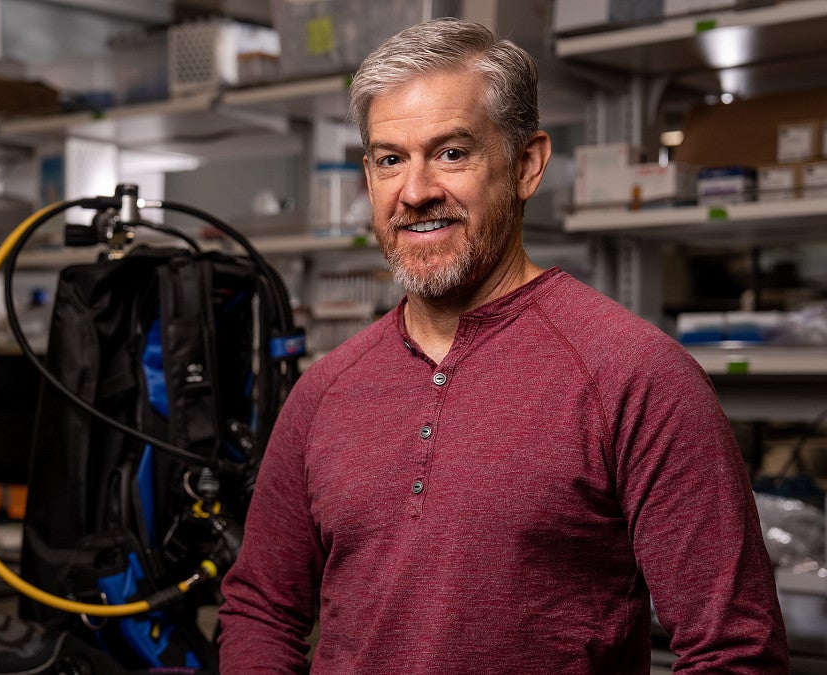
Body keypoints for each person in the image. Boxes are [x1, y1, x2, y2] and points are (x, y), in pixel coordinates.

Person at [216, 17, 788, 673]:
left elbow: (734, 648)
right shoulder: (324, 390)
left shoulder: (637, 376)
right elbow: (262, 607)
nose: (415, 191)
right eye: (389, 159)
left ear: (526, 165)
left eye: (452, 153)